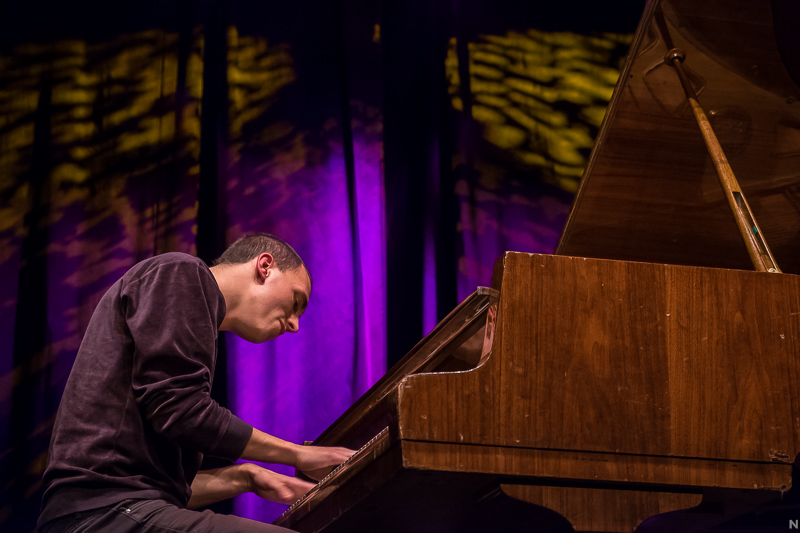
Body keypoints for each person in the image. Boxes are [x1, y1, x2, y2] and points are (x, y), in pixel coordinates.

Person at [37, 233, 354, 533]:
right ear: (265, 266)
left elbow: (158, 486)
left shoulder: (191, 321)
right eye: (296, 301)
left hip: (105, 511)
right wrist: (298, 455)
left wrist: (245, 477)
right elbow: (181, 412)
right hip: (99, 515)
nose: (295, 325)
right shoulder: (181, 273)